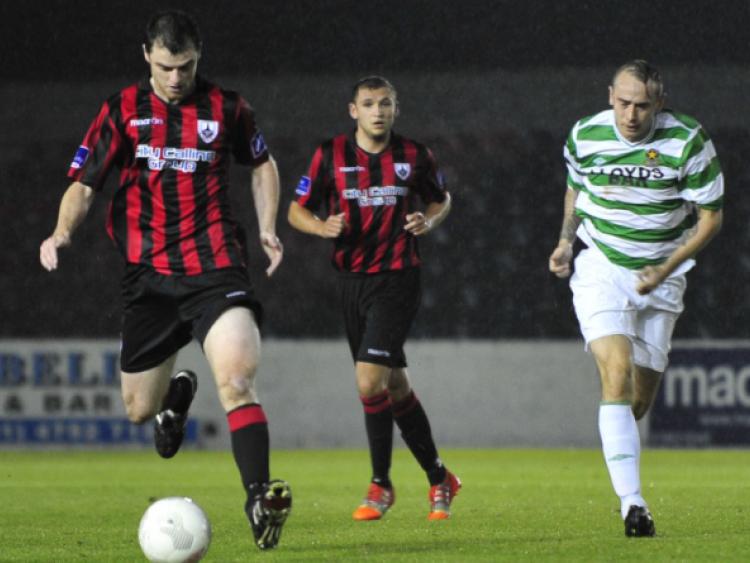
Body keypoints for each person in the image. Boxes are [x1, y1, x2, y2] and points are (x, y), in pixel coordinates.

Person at [39, 10, 291, 551]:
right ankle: (175, 403)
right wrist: (60, 234)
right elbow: (84, 184)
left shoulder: (228, 108)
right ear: (146, 56)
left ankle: (257, 497)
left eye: (186, 66)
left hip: (216, 269)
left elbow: (262, 164)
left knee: (239, 379)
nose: (176, 78)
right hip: (148, 279)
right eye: (165, 67)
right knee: (137, 409)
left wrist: (268, 227)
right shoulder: (121, 110)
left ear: (199, 57)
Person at [548, 60, 723, 537]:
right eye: (623, 102)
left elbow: (710, 218)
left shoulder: (687, 140)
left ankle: (621, 447)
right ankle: (633, 505)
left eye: (642, 106)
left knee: (637, 402)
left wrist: (664, 269)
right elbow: (576, 189)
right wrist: (566, 241)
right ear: (610, 96)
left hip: (663, 273)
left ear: (658, 105)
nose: (630, 114)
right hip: (602, 264)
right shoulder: (585, 135)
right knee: (616, 374)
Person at [288, 76, 460, 521]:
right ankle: (440, 478)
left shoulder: (414, 154)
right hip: (351, 282)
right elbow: (296, 209)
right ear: (353, 111)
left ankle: (380, 485)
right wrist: (320, 227)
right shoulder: (330, 155)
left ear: (395, 109)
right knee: (395, 385)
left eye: (385, 104)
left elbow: (443, 200)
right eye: (369, 104)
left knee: (369, 381)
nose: (378, 111)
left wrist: (430, 220)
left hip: (398, 277)